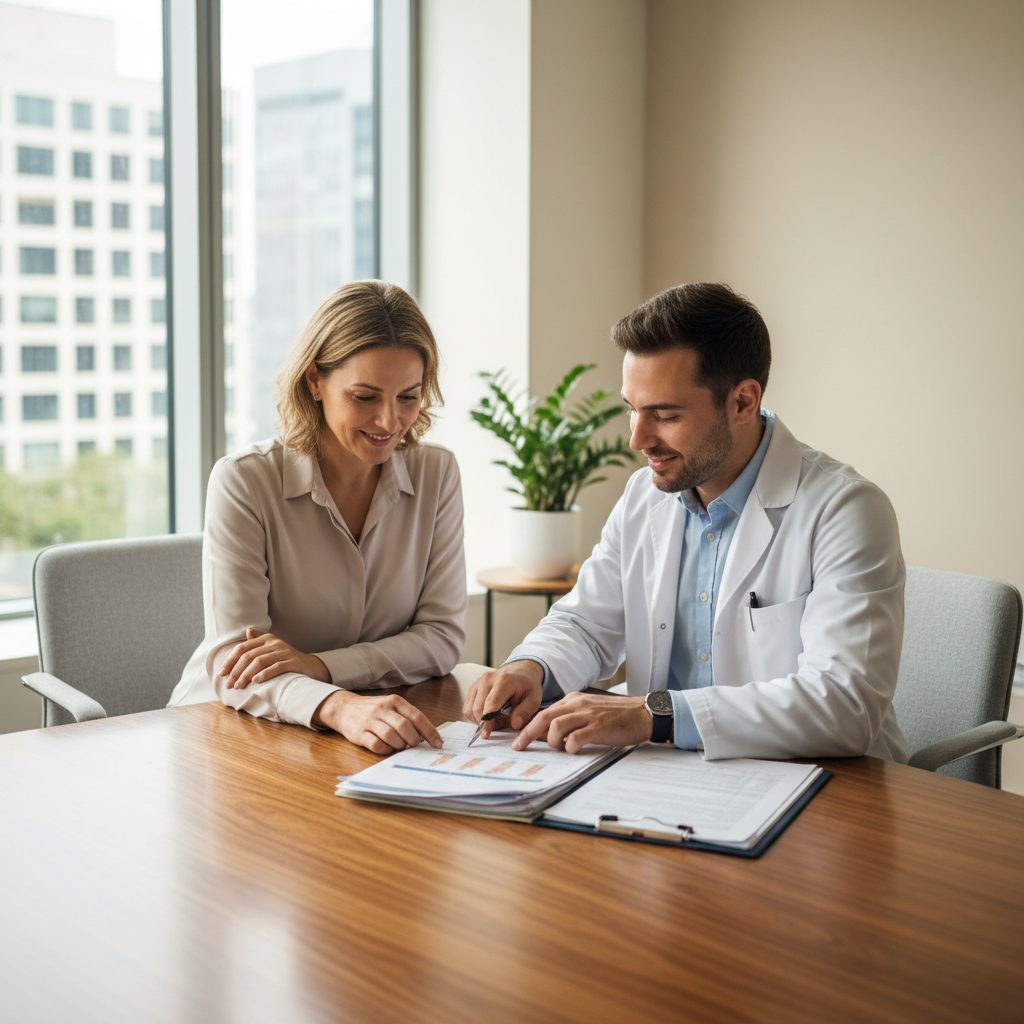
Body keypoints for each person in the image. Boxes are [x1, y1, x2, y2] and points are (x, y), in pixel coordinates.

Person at [465, 282, 908, 762]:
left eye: (665, 415)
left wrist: (653, 715)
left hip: (823, 788)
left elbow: (844, 706)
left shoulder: (845, 509)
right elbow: (588, 623)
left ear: (742, 402)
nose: (638, 439)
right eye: (632, 410)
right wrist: (532, 667)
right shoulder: (645, 496)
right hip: (671, 778)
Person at [170, 280, 466, 753]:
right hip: (230, 732)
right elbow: (234, 662)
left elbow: (441, 638)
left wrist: (321, 667)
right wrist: (337, 704)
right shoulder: (244, 481)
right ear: (314, 381)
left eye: (407, 397)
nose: (389, 422)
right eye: (365, 397)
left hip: (359, 735)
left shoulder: (437, 474)